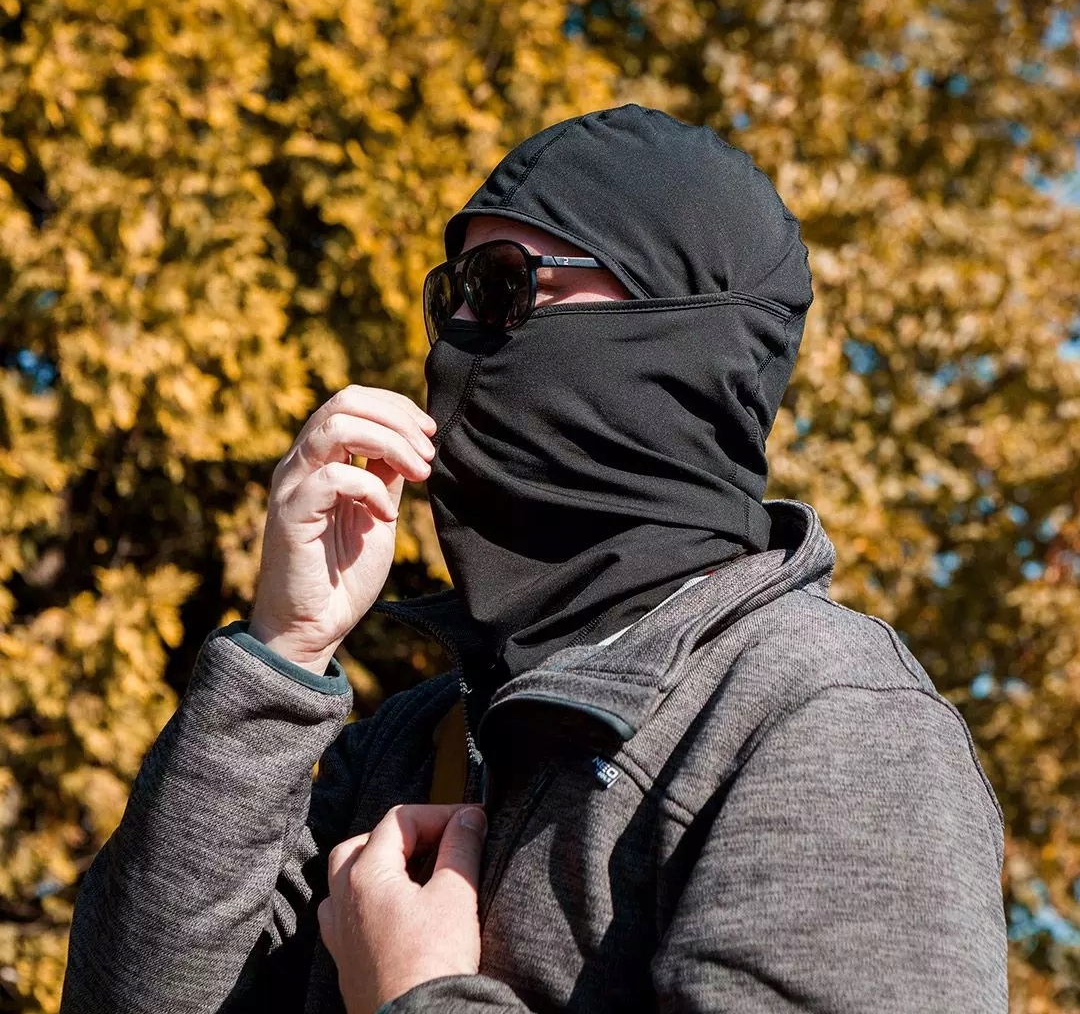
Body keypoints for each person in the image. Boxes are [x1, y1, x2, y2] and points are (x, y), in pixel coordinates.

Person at [60, 105, 1008, 1014]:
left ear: (682, 329)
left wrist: (415, 997)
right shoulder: (411, 741)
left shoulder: (829, 720)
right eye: (453, 296)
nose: (459, 340)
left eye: (506, 287)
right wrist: (283, 650)